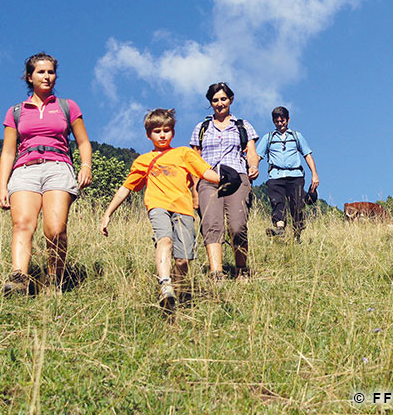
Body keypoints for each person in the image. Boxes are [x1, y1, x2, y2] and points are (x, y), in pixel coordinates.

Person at [100, 108, 238, 310]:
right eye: (157, 131)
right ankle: (165, 284)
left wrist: (225, 179)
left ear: (173, 132)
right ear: (148, 135)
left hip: (183, 209)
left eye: (166, 130)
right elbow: (125, 188)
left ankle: (173, 296)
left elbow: (205, 172)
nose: (162, 135)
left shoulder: (184, 153)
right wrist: (108, 214)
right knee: (164, 240)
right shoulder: (143, 161)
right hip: (158, 206)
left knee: (183, 260)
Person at [0, 52, 92, 296]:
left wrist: (85, 166)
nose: (47, 76)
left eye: (51, 72)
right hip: (25, 169)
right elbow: (8, 152)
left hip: (58, 167)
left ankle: (53, 280)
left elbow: (83, 142)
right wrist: (2, 186)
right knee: (22, 223)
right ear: (30, 77)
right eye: (41, 72)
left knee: (55, 229)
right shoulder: (16, 111)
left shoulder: (67, 106)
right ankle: (19, 279)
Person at [190, 82, 259, 282]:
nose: (220, 103)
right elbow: (195, 160)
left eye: (223, 99)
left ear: (231, 100)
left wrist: (253, 166)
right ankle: (216, 274)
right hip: (208, 179)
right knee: (211, 225)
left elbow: (251, 152)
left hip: (237, 178)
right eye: (215, 100)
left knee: (238, 226)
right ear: (210, 102)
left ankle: (241, 271)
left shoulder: (242, 125)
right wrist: (194, 192)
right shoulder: (201, 128)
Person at [255, 106, 319, 241]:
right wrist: (254, 167)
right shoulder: (268, 138)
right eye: (277, 121)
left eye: (282, 121)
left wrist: (314, 174)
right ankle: (280, 228)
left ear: (288, 119)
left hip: (295, 176)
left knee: (297, 205)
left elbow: (307, 155)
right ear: (273, 121)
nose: (280, 124)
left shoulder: (296, 136)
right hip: (276, 176)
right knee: (277, 201)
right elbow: (258, 156)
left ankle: (297, 234)